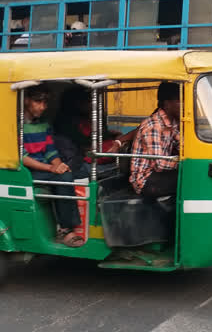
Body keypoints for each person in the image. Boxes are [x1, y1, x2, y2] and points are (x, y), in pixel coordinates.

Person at [22, 84, 83, 247]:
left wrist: (60, 165)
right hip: (26, 171)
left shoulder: (43, 124)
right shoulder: (16, 125)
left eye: (45, 103)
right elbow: (22, 157)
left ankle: (70, 225)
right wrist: (52, 168)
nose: (42, 107)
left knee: (71, 172)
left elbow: (50, 151)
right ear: (26, 101)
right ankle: (66, 229)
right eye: (38, 102)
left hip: (43, 168)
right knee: (63, 178)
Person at [53, 86, 134, 178]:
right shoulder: (66, 122)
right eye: (88, 101)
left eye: (92, 101)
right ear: (76, 103)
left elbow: (101, 135)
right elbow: (82, 145)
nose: (91, 104)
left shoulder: (92, 116)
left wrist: (113, 137)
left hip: (93, 154)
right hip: (79, 161)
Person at [129, 82, 181, 197]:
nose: (183, 105)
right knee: (190, 180)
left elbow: (181, 144)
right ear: (167, 104)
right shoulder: (154, 126)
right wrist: (186, 163)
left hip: (159, 174)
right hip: (145, 180)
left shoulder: (171, 122)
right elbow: (160, 164)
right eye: (179, 101)